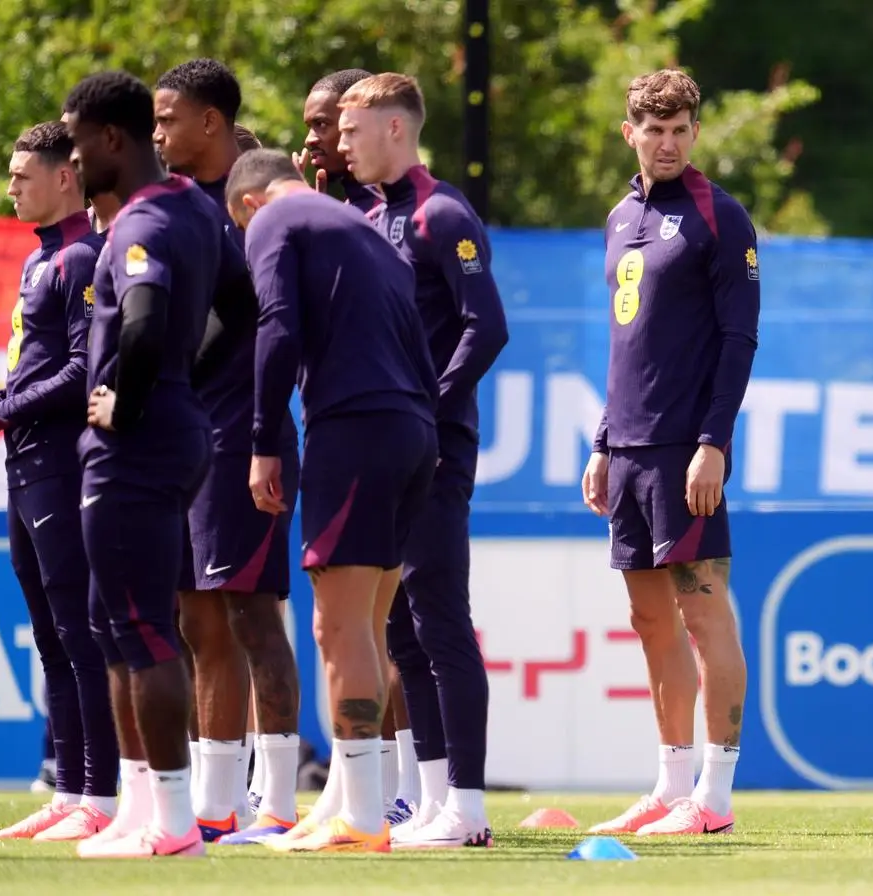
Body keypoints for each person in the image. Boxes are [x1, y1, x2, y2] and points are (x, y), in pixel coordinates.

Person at [224, 148, 439, 854]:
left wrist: (263, 439)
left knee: (338, 628)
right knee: (369, 627)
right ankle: (352, 803)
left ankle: (364, 821)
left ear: (250, 203)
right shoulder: (363, 228)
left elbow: (277, 327)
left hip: (355, 429)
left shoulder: (274, 219)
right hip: (413, 430)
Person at [61, 69, 235, 858]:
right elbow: (242, 308)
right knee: (115, 624)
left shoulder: (138, 226)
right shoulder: (197, 209)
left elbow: (140, 319)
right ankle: (141, 808)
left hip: (136, 445)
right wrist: (183, 383)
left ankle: (171, 824)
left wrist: (131, 400)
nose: (70, 161)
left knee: (140, 627)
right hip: (175, 430)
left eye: (75, 144)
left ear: (110, 141)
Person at [581, 69, 758, 837]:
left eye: (681, 129)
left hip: (688, 449)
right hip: (628, 451)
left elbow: (738, 338)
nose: (668, 142)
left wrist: (714, 443)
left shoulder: (722, 218)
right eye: (654, 130)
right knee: (650, 620)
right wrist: (601, 443)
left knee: (704, 613)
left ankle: (714, 799)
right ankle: (669, 785)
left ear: (696, 131)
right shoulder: (621, 217)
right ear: (631, 133)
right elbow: (629, 343)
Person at [338, 73, 507, 848]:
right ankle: (436, 802)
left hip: (434, 449)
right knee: (401, 629)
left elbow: (487, 326)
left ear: (396, 130)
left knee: (441, 622)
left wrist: (428, 408)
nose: (342, 144)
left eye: (353, 129)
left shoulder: (443, 212)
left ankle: (468, 810)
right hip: (384, 450)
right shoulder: (368, 214)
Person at [152, 57, 302, 845]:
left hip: (243, 440)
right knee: (192, 618)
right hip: (180, 441)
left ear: (210, 121)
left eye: (168, 117)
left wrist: (264, 439)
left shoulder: (257, 217)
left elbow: (269, 329)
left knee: (251, 616)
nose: (157, 133)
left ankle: (275, 803)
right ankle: (215, 802)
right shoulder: (168, 208)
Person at [0, 121, 118, 842]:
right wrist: (4, 412)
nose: (10, 187)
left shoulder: (83, 259)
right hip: (23, 464)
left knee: (81, 634)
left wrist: (1, 409)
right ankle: (68, 788)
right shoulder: (42, 261)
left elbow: (78, 372)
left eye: (22, 174)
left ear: (67, 177)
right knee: (50, 638)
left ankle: (103, 794)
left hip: (63, 466)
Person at [300, 65, 419, 822]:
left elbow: (475, 325)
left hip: (389, 432)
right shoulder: (331, 212)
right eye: (316, 126)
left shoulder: (409, 214)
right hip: (352, 427)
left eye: (332, 125)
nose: (320, 139)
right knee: (358, 624)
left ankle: (406, 793)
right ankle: (358, 794)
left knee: (390, 622)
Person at [296, 69, 381, 214]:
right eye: (310, 126)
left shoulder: (404, 210)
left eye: (321, 124)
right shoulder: (349, 208)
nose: (309, 140)